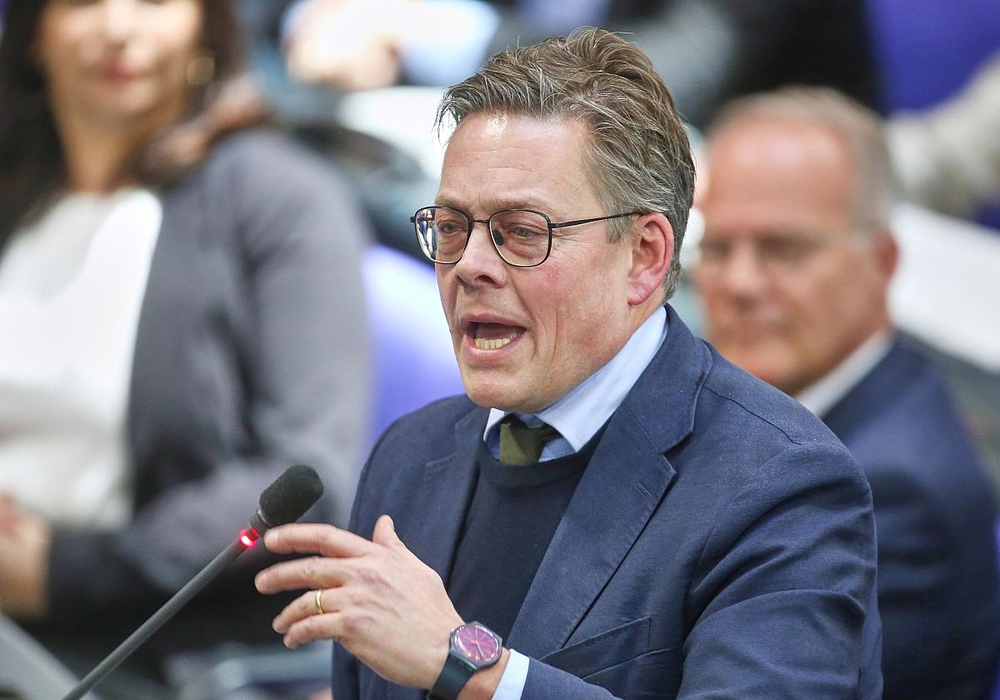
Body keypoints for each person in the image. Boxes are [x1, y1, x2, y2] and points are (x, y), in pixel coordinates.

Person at [254, 28, 882, 699]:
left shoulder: (780, 486)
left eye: (522, 232)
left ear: (644, 256)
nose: (469, 266)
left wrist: (470, 666)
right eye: (452, 227)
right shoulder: (409, 456)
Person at [0, 0, 370, 694]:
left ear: (207, 27)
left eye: (154, 1)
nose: (118, 27)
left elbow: (304, 476)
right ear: (32, 34)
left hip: (152, 644)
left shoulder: (281, 199)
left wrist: (61, 572)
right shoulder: (16, 186)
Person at [692, 86, 1000, 700]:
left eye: (783, 249)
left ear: (881, 262)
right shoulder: (776, 402)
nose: (740, 283)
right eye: (719, 249)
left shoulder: (890, 494)